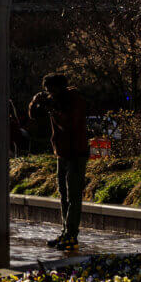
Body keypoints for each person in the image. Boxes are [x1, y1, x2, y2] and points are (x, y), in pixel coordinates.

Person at [28, 71, 90, 249]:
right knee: (63, 195)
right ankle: (65, 232)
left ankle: (72, 235)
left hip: (76, 153)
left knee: (73, 196)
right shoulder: (55, 100)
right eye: (47, 91)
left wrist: (52, 108)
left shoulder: (75, 100)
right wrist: (35, 102)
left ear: (61, 87)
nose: (50, 94)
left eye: (52, 90)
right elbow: (34, 116)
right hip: (62, 153)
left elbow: (70, 124)